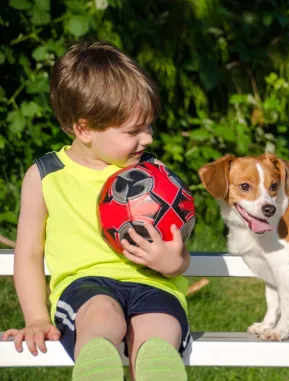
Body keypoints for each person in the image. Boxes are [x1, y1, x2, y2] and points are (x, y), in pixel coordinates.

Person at [2, 39, 191, 381]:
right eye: (134, 130)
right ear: (84, 128)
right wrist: (36, 318)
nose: (147, 139)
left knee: (158, 331)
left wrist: (172, 262)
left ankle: (158, 366)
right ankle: (96, 367)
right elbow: (28, 255)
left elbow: (178, 249)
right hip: (85, 287)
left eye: (149, 126)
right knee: (101, 317)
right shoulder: (46, 176)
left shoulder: (154, 175)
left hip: (153, 285)